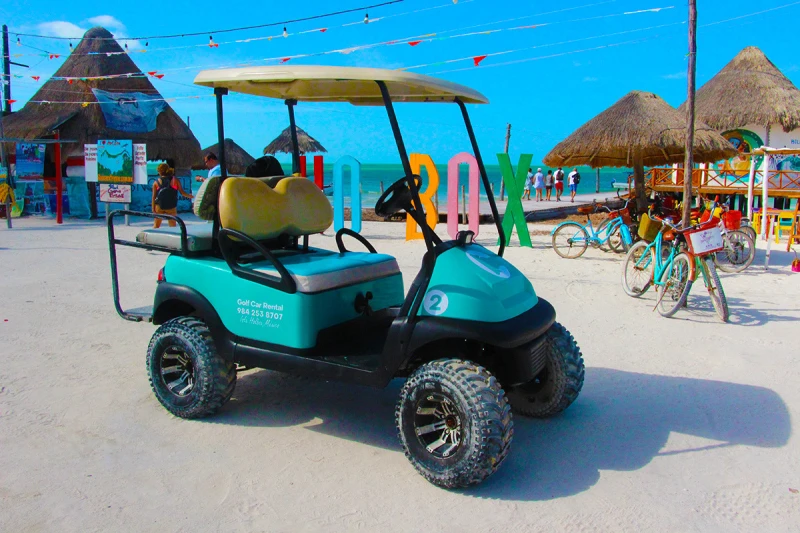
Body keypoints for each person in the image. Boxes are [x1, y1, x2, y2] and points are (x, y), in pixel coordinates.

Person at [152, 163, 192, 228]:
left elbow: (153, 197)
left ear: (160, 171)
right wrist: (190, 196)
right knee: (173, 227)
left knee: (156, 226)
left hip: (159, 206)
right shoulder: (175, 180)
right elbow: (182, 192)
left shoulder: (156, 182)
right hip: (171, 206)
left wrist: (153, 209)